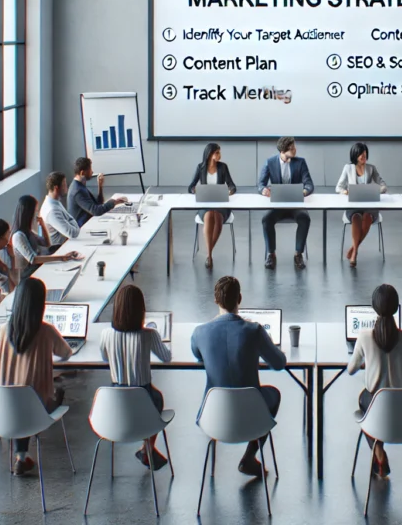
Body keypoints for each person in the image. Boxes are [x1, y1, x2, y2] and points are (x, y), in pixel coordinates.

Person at [191, 276, 286, 477]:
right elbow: (279, 363)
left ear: (215, 300)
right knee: (273, 395)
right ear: (239, 299)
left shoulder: (200, 333)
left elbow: (198, 355)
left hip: (214, 418)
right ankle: (250, 456)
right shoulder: (254, 331)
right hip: (252, 418)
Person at [0, 278, 72, 475]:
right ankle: (21, 457)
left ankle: (22, 457)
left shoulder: (3, 331)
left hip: (2, 408)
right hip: (36, 411)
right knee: (54, 391)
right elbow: (66, 353)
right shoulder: (46, 331)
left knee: (21, 397)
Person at [347, 284, 402, 477]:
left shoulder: (364, 337)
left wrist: (368, 361)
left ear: (374, 307)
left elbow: (350, 369)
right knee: (377, 404)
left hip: (376, 407)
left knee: (366, 400)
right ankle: (379, 452)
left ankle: (378, 451)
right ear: (396, 308)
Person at [100, 284, 172, 470]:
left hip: (115, 410)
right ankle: (147, 447)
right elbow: (166, 358)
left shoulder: (106, 335)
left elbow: (104, 357)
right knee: (158, 398)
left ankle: (146, 449)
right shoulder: (149, 335)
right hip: (144, 407)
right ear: (142, 311)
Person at [258, 137, 314, 270]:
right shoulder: (270, 162)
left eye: (294, 147)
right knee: (266, 219)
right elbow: (260, 184)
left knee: (304, 218)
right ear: (283, 151)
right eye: (292, 148)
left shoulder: (300, 162)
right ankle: (271, 254)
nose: (295, 150)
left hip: (295, 204)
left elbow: (309, 184)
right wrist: (264, 190)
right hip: (277, 205)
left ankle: (298, 254)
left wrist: (304, 192)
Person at [335, 142, 388, 267]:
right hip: (353, 205)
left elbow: (383, 185)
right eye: (361, 154)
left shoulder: (371, 168)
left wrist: (376, 190)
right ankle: (355, 252)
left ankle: (354, 250)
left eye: (365, 154)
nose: (364, 156)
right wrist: (345, 192)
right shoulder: (348, 168)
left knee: (368, 217)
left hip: (369, 205)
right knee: (356, 217)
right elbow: (338, 187)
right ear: (355, 154)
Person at [188, 143, 237, 269]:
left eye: (219, 152)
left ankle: (208, 255)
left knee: (217, 216)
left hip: (221, 204)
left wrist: (229, 191)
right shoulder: (201, 168)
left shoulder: (223, 167)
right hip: (205, 203)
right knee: (209, 214)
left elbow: (232, 185)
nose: (219, 155)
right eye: (217, 153)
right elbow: (191, 186)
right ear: (210, 154)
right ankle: (209, 255)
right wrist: (195, 190)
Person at [11, 195, 79, 279]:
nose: (35, 215)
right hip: (29, 275)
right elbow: (33, 259)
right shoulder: (18, 236)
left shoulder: (29, 232)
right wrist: (62, 258)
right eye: (35, 212)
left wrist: (42, 225)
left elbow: (47, 244)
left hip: (37, 269)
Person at [67, 157, 127, 227]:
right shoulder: (77, 190)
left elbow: (98, 205)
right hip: (81, 229)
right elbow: (96, 211)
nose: (92, 172)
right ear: (82, 173)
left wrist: (100, 186)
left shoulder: (80, 186)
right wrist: (113, 202)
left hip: (87, 224)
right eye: (90, 169)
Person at [40, 171, 80, 248]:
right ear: (56, 188)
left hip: (66, 245)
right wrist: (72, 222)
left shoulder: (55, 202)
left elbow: (69, 219)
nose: (66, 187)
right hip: (59, 250)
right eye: (64, 185)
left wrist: (70, 220)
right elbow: (72, 233)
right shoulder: (52, 211)